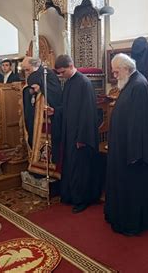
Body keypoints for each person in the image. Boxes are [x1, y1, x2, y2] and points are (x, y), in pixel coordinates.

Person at [105, 53, 148, 236]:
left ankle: (131, 223)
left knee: (132, 187)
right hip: (123, 147)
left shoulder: (138, 85)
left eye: (115, 72)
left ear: (126, 68)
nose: (114, 76)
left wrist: (133, 154)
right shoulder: (131, 82)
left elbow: (138, 124)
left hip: (132, 151)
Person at [53, 54, 101, 213]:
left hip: (80, 136)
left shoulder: (84, 83)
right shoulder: (68, 83)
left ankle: (82, 200)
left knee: (80, 168)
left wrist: (82, 137)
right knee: (70, 166)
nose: (61, 75)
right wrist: (55, 111)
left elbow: (88, 114)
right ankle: (70, 196)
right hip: (69, 133)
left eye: (62, 72)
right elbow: (66, 107)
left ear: (70, 66)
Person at [21, 56, 62, 159]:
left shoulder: (45, 73)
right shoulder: (36, 74)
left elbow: (54, 91)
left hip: (47, 113)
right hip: (35, 112)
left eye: (27, 69)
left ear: (35, 66)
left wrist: (41, 89)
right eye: (24, 70)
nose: (27, 73)